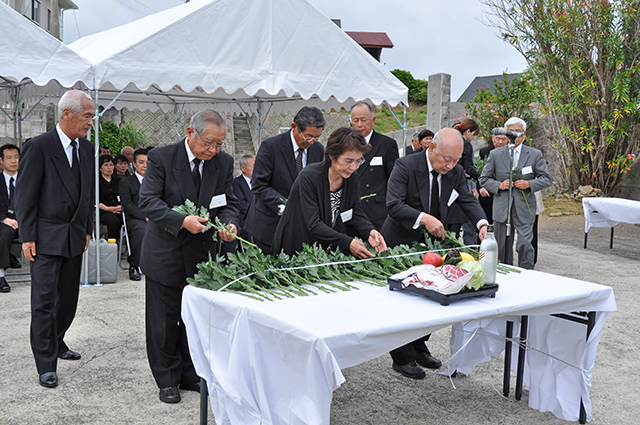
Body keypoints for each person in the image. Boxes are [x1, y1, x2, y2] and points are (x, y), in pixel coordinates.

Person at [139, 110, 239, 404]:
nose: (213, 150)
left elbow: (228, 203)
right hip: (166, 253)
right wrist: (182, 221)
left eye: (219, 144)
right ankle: (167, 379)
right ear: (189, 132)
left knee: (193, 319)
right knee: (164, 321)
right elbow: (148, 202)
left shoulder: (223, 163)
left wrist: (230, 224)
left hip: (202, 256)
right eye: (208, 143)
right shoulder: (162, 158)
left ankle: (190, 374)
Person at [381, 128, 488, 379]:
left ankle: (419, 345)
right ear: (431, 149)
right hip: (401, 241)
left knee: (431, 296)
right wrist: (424, 218)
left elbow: (467, 201)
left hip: (432, 246)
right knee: (405, 301)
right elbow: (393, 204)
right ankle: (402, 356)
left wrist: (482, 224)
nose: (449, 165)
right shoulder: (405, 165)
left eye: (455, 160)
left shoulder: (456, 172)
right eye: (445, 159)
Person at [15, 90, 95, 388]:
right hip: (45, 238)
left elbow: (87, 194)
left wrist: (87, 228)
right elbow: (25, 197)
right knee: (44, 302)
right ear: (67, 114)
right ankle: (45, 362)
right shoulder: (39, 146)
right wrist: (27, 236)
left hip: (75, 237)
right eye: (87, 115)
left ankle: (58, 340)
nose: (91, 121)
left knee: (68, 301)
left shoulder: (86, 149)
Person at [272, 127, 387, 258]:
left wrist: (369, 231)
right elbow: (313, 224)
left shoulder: (351, 177)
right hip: (296, 246)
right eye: (349, 161)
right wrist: (348, 242)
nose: (354, 167)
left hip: (323, 248)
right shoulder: (309, 177)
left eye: (358, 160)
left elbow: (355, 211)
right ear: (332, 155)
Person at [244, 106, 325, 253]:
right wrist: (288, 207)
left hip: (301, 228)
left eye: (317, 137)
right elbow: (259, 186)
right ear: (294, 127)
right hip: (269, 224)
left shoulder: (318, 150)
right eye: (308, 136)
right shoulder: (270, 147)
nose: (312, 141)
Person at [479, 117, 552, 269]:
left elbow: (546, 179)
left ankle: (527, 273)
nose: (514, 135)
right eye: (510, 132)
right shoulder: (496, 154)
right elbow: (484, 179)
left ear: (524, 134)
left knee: (525, 243)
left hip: (524, 206)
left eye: (517, 132)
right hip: (502, 206)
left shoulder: (534, 154)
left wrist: (529, 184)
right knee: (502, 246)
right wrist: (499, 185)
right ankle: (503, 273)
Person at [350, 101, 399, 230]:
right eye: (355, 120)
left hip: (378, 212)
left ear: (373, 120)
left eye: (363, 120)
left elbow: (394, 180)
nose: (359, 125)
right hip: (353, 210)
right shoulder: (346, 145)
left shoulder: (387, 144)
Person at [448, 119, 482, 245]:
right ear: (468, 131)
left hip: (447, 186)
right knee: (467, 221)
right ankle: (469, 249)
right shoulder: (465, 145)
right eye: (473, 135)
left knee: (450, 223)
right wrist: (482, 178)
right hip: (460, 186)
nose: (473, 138)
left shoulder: (451, 142)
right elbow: (468, 168)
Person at [119, 148, 148, 281]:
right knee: (141, 228)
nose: (145, 165)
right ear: (134, 164)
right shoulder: (126, 182)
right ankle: (135, 265)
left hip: (156, 217)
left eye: (148, 162)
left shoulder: (157, 181)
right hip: (135, 218)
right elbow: (128, 205)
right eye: (141, 162)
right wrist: (146, 216)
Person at [0, 144, 21, 293]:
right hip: (3, 221)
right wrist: (4, 219)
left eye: (16, 157)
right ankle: (0, 275)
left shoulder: (28, 179)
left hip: (25, 220)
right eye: (9, 158)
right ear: (1, 160)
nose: (13, 161)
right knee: (6, 232)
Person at [477, 128, 510, 224]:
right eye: (497, 139)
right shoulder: (484, 152)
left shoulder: (511, 152)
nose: (500, 142)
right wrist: (481, 188)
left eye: (503, 139)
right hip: (487, 193)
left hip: (504, 193)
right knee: (486, 224)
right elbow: (479, 172)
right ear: (492, 138)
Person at [98, 155, 123, 241]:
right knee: (113, 221)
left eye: (111, 165)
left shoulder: (119, 181)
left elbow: (124, 196)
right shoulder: (96, 182)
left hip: (119, 209)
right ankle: (113, 245)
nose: (109, 167)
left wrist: (121, 206)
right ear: (100, 167)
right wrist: (108, 208)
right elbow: (94, 201)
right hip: (103, 210)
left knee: (129, 219)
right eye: (106, 165)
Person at [232, 154, 255, 238]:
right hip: (245, 220)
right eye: (253, 166)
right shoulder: (236, 183)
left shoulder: (259, 183)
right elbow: (241, 204)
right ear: (243, 168)